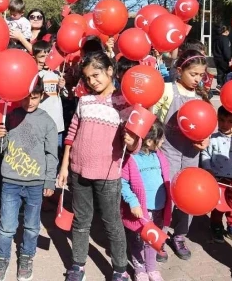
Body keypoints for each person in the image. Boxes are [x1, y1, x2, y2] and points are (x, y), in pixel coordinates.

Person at [57, 50, 139, 281]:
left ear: (110, 71)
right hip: (78, 171)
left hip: (108, 176)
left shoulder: (124, 103)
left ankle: (120, 269)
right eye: (88, 78)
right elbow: (71, 134)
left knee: (112, 223)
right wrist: (64, 167)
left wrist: (133, 142)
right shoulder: (84, 100)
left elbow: (133, 143)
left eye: (97, 75)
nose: (93, 81)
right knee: (81, 221)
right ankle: (77, 265)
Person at [0, 78, 58, 281]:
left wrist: (49, 181)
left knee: (31, 225)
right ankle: (2, 258)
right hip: (10, 180)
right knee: (7, 226)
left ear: (42, 96)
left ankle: (27, 256)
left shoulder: (47, 121)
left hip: (35, 184)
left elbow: (51, 154)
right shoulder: (10, 117)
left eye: (35, 98)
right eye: (26, 98)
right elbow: (1, 150)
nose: (30, 102)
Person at [153, 49, 210, 261]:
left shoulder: (201, 98)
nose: (197, 79)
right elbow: (153, 117)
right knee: (165, 196)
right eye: (193, 74)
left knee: (188, 197)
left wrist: (206, 140)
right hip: (167, 151)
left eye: (201, 75)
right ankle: (158, 236)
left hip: (191, 154)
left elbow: (207, 126)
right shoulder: (167, 90)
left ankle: (179, 236)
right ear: (179, 71)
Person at [121, 121, 171, 281]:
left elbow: (166, 178)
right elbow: (122, 183)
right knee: (136, 240)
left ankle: (152, 267)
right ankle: (140, 268)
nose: (163, 142)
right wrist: (133, 202)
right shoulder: (131, 159)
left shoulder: (160, 157)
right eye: (161, 138)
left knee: (152, 239)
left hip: (158, 208)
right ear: (149, 141)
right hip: (141, 210)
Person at [201, 107, 232, 245]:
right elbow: (205, 154)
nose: (225, 124)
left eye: (230, 121)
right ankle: (216, 225)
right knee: (218, 204)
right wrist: (208, 169)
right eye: (221, 120)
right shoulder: (213, 138)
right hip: (218, 179)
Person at [33, 41, 66, 149]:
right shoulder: (34, 74)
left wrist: (62, 86)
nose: (46, 59)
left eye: (48, 55)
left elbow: (65, 95)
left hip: (56, 123)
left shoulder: (56, 74)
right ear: (35, 58)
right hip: (39, 124)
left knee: (55, 151)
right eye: (42, 56)